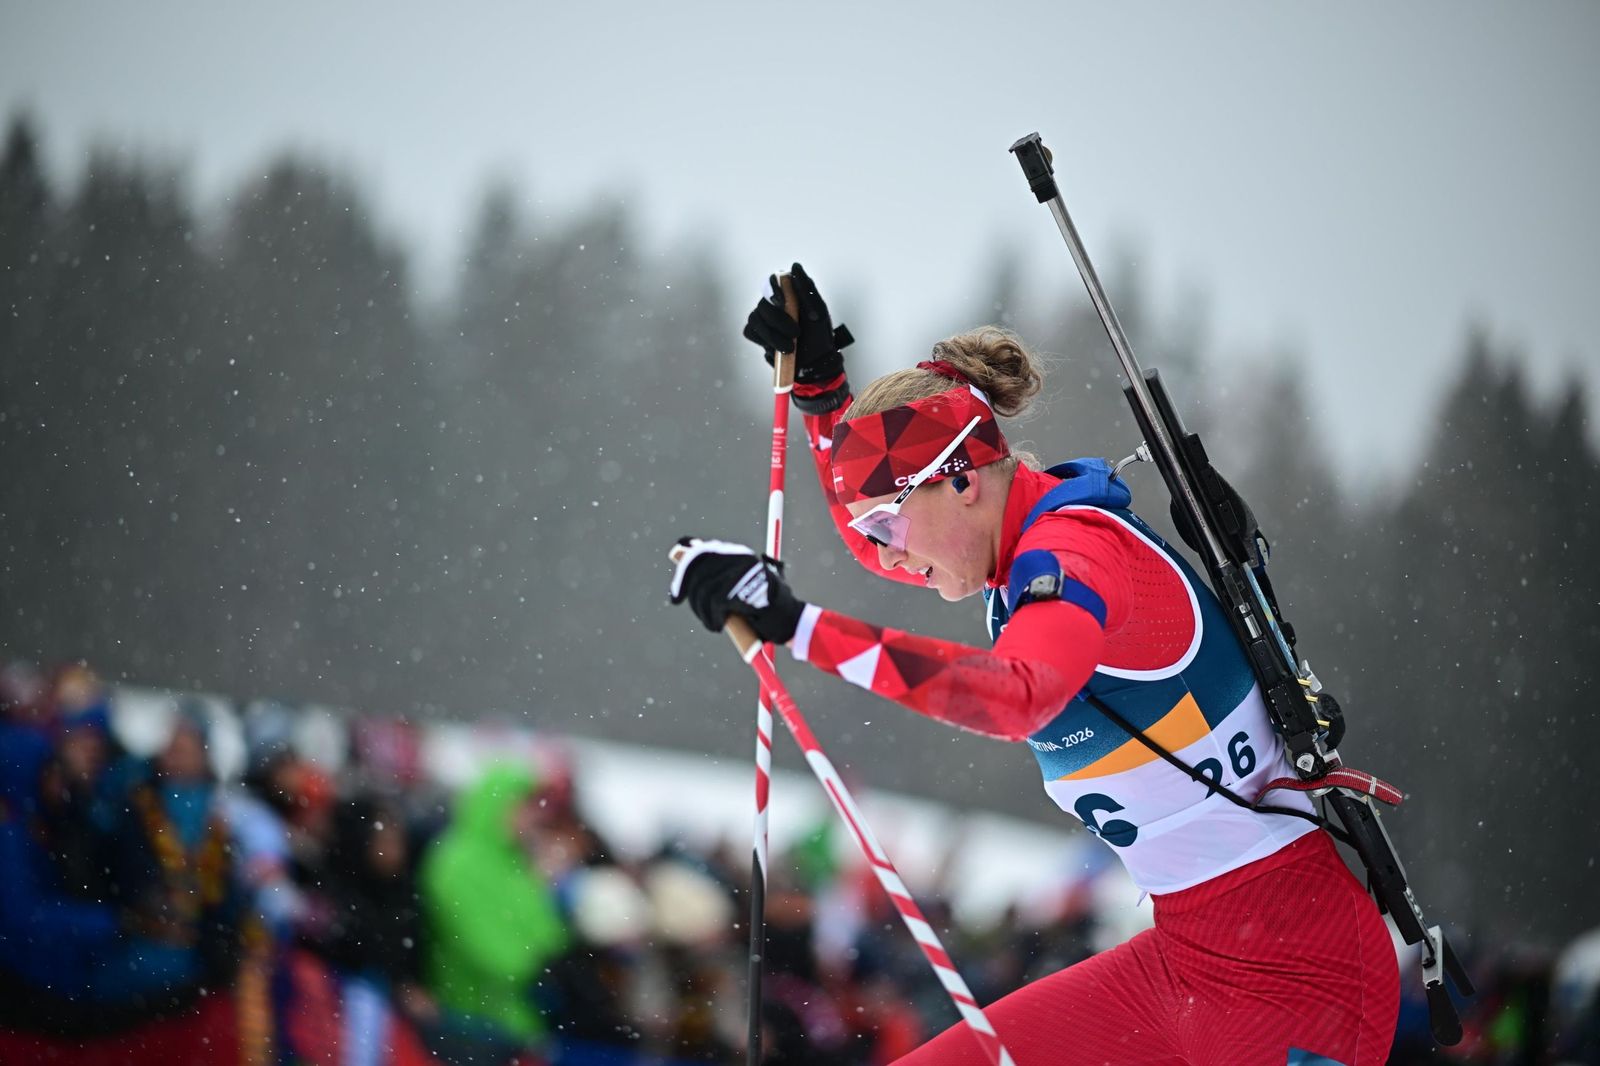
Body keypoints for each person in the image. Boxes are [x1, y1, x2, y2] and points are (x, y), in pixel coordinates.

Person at [667, 264, 1399, 1066]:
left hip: (1302, 981)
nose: (882, 552)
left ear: (962, 479)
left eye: (890, 524)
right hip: (1186, 962)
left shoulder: (1074, 555)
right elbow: (869, 531)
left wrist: (799, 626)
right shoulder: (1005, 553)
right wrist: (819, 391)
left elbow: (1020, 697)